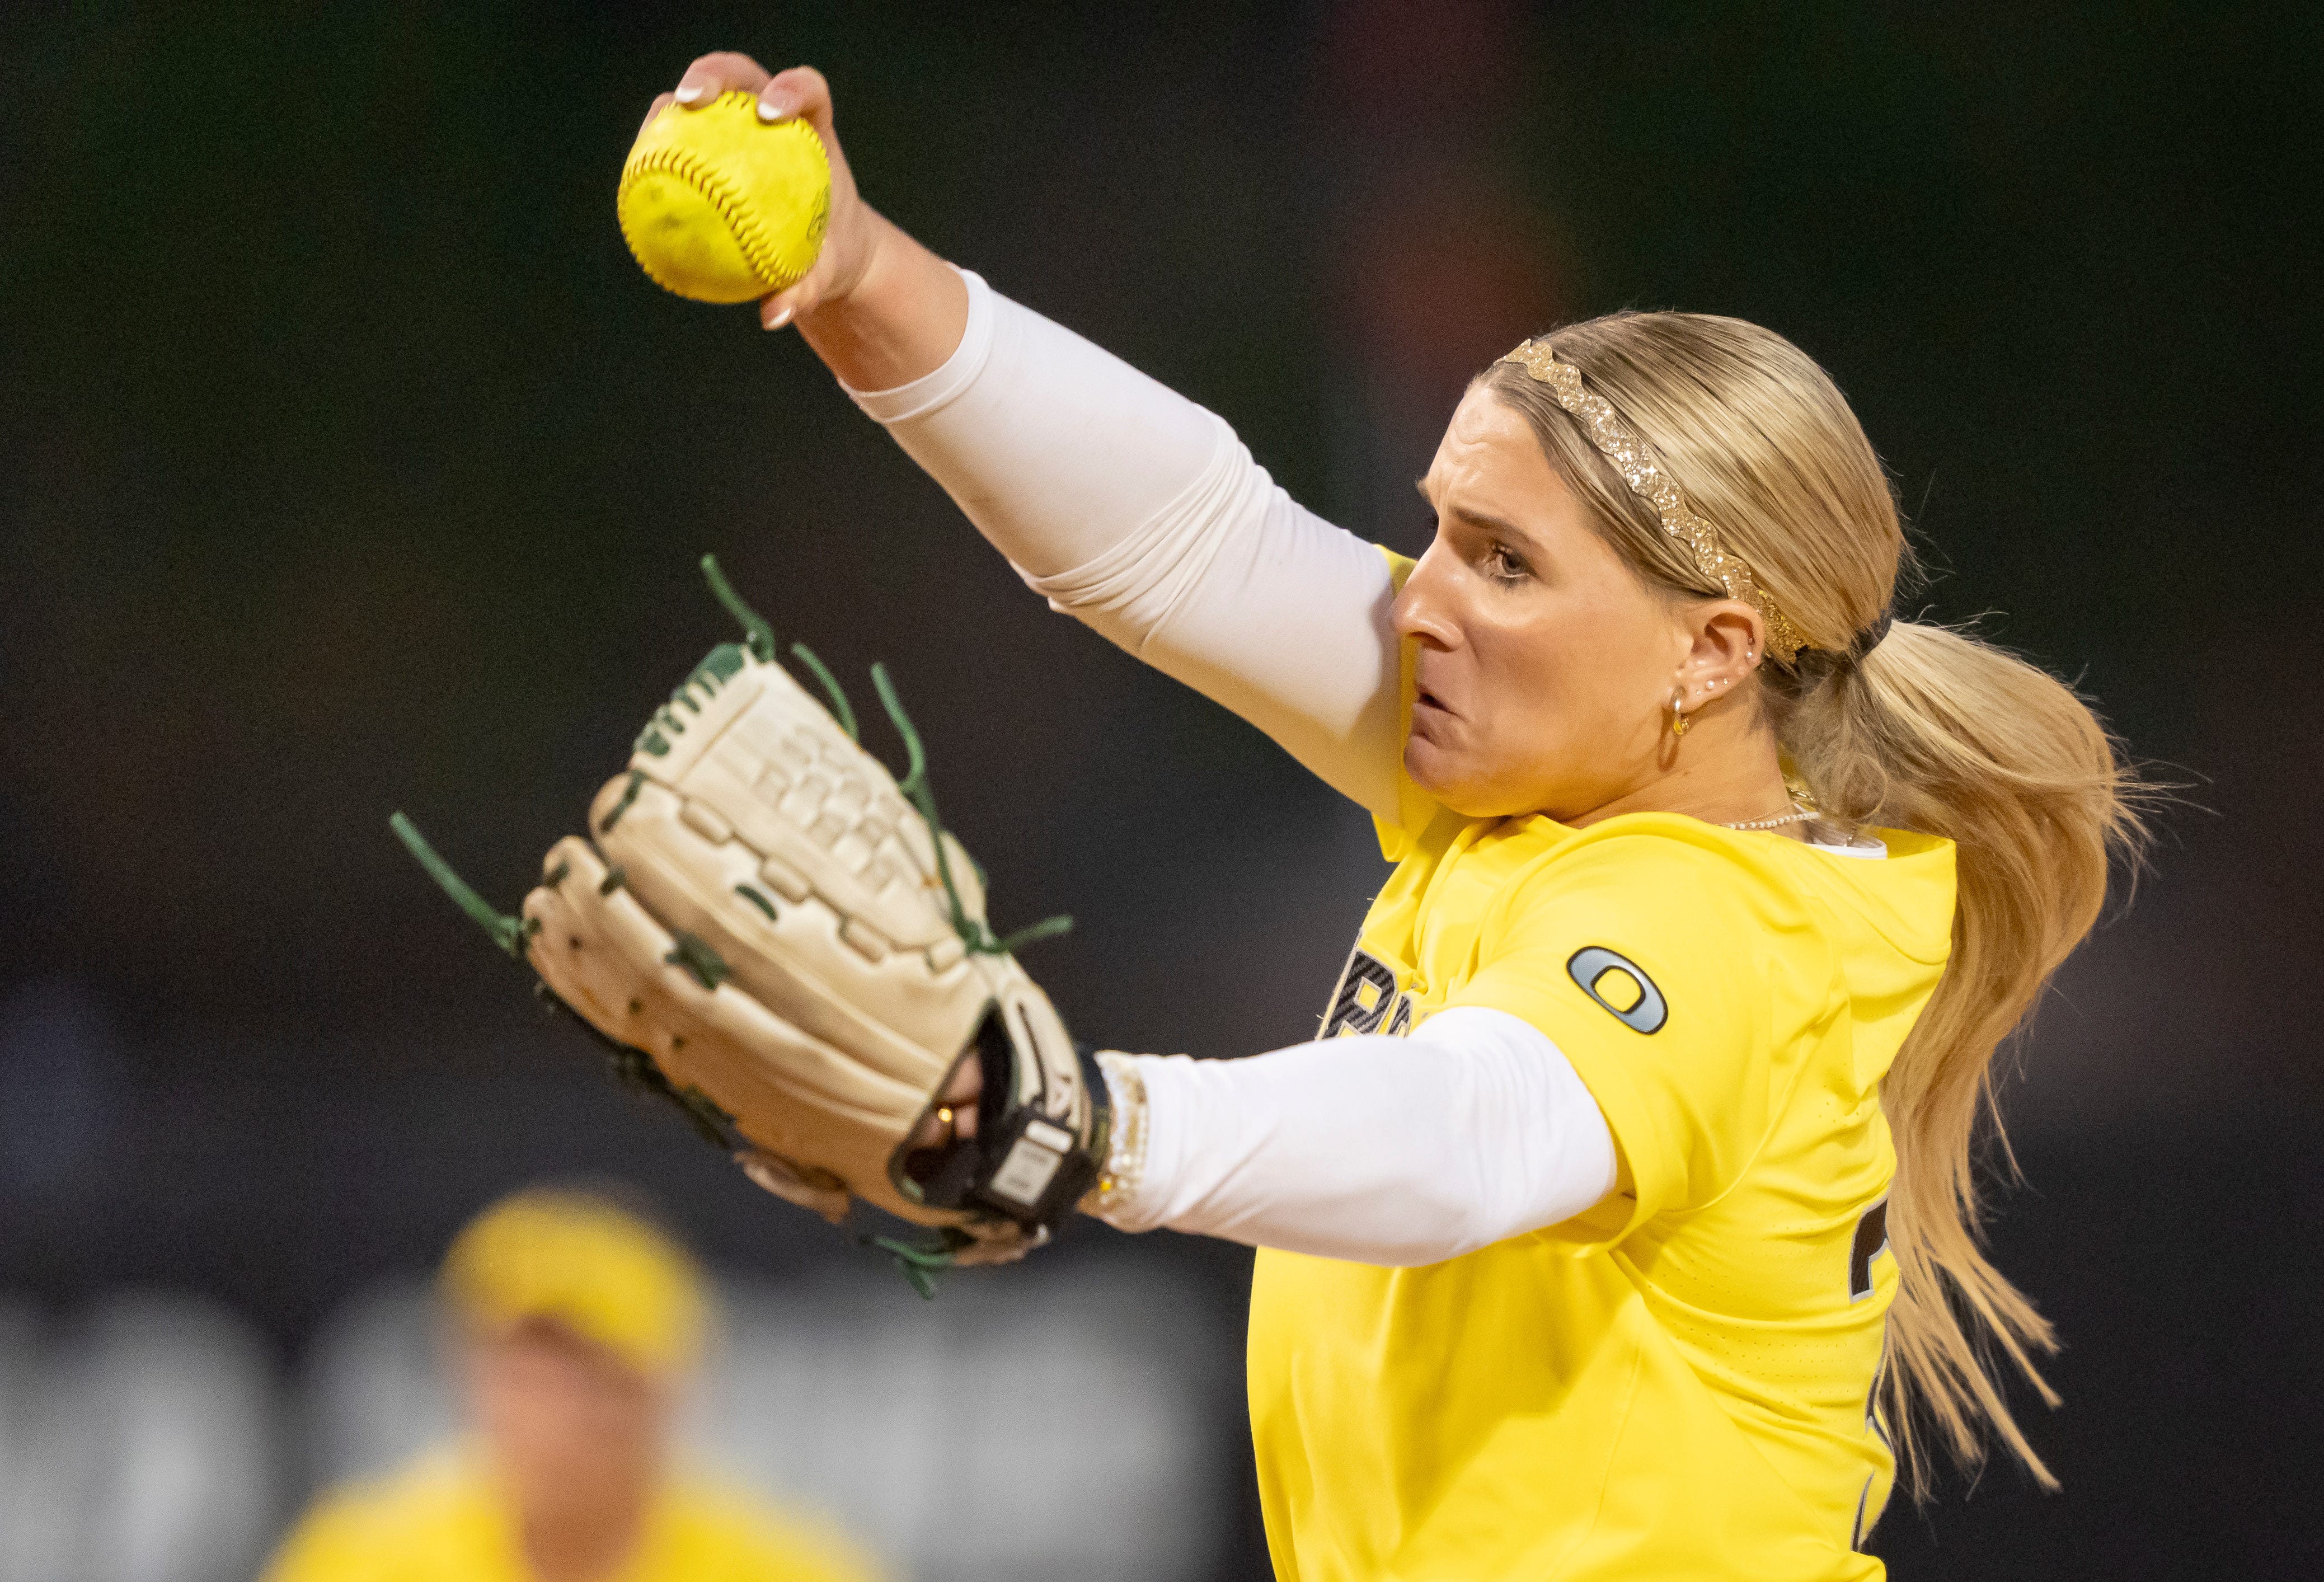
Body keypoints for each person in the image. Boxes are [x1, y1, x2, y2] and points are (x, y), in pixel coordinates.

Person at [659, 52, 2142, 1580]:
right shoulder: (1526, 779)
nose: (1420, 595)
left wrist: (1092, 1122)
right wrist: (860, 273)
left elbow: (1473, 1132)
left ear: (1714, 648)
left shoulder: (1744, 928)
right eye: (1439, 525)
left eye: (1504, 560)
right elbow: (1192, 542)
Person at [260, 1187, 882, 1582]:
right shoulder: (362, 1561)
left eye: (595, 1382)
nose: (551, 1420)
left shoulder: (785, 1567)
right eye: (522, 1377)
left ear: (668, 1395)